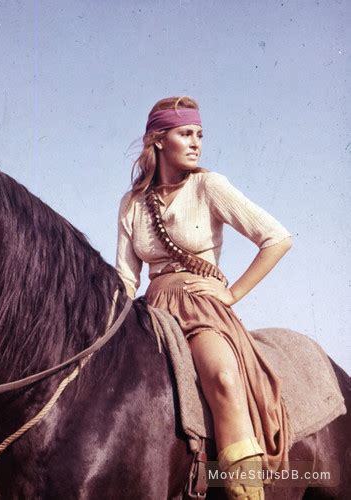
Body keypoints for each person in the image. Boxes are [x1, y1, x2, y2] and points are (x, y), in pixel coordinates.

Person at [115, 96, 293, 499]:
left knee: (224, 378)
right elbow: (127, 279)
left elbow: (277, 238)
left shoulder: (209, 185)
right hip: (153, 313)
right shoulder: (131, 204)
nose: (196, 142)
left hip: (201, 310)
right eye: (185, 134)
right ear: (159, 140)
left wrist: (232, 294)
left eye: (199, 134)